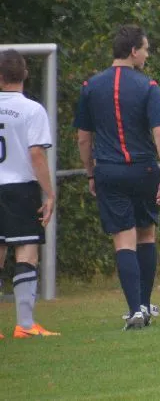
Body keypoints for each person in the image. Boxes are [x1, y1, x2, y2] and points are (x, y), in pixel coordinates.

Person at [74, 25, 160, 331]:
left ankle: (134, 310)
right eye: (145, 49)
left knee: (123, 239)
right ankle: (144, 304)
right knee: (146, 235)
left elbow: (83, 138)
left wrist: (91, 172)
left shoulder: (91, 86)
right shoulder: (148, 86)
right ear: (133, 51)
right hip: (143, 169)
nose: (146, 55)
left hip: (108, 170)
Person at [0, 50, 58, 339]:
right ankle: (25, 325)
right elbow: (36, 153)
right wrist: (49, 192)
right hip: (20, 187)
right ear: (25, 74)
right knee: (26, 251)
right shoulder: (32, 110)